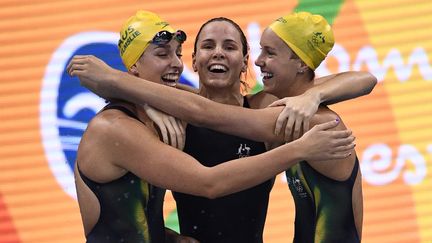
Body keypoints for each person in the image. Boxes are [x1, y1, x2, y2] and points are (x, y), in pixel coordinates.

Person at [71, 10, 356, 243]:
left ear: (245, 63)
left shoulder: (277, 111)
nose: (174, 63)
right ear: (195, 61)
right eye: (207, 46)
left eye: (230, 47)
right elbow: (207, 179)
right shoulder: (158, 119)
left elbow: (360, 79)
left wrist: (313, 96)